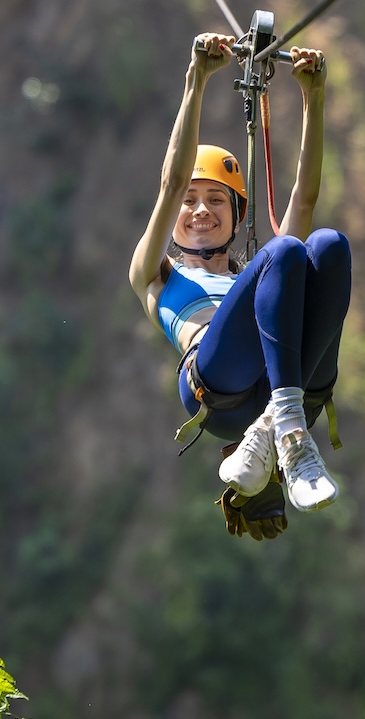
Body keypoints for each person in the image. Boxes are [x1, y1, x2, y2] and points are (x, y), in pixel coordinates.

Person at [128, 32, 351, 534]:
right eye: (191, 200)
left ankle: (280, 425)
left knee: (329, 245)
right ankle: (289, 431)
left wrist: (314, 98)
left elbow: (306, 198)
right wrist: (197, 79)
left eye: (217, 200)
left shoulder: (272, 271)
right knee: (287, 250)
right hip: (216, 391)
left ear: (236, 215)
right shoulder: (156, 273)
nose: (200, 208)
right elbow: (170, 182)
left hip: (283, 389)